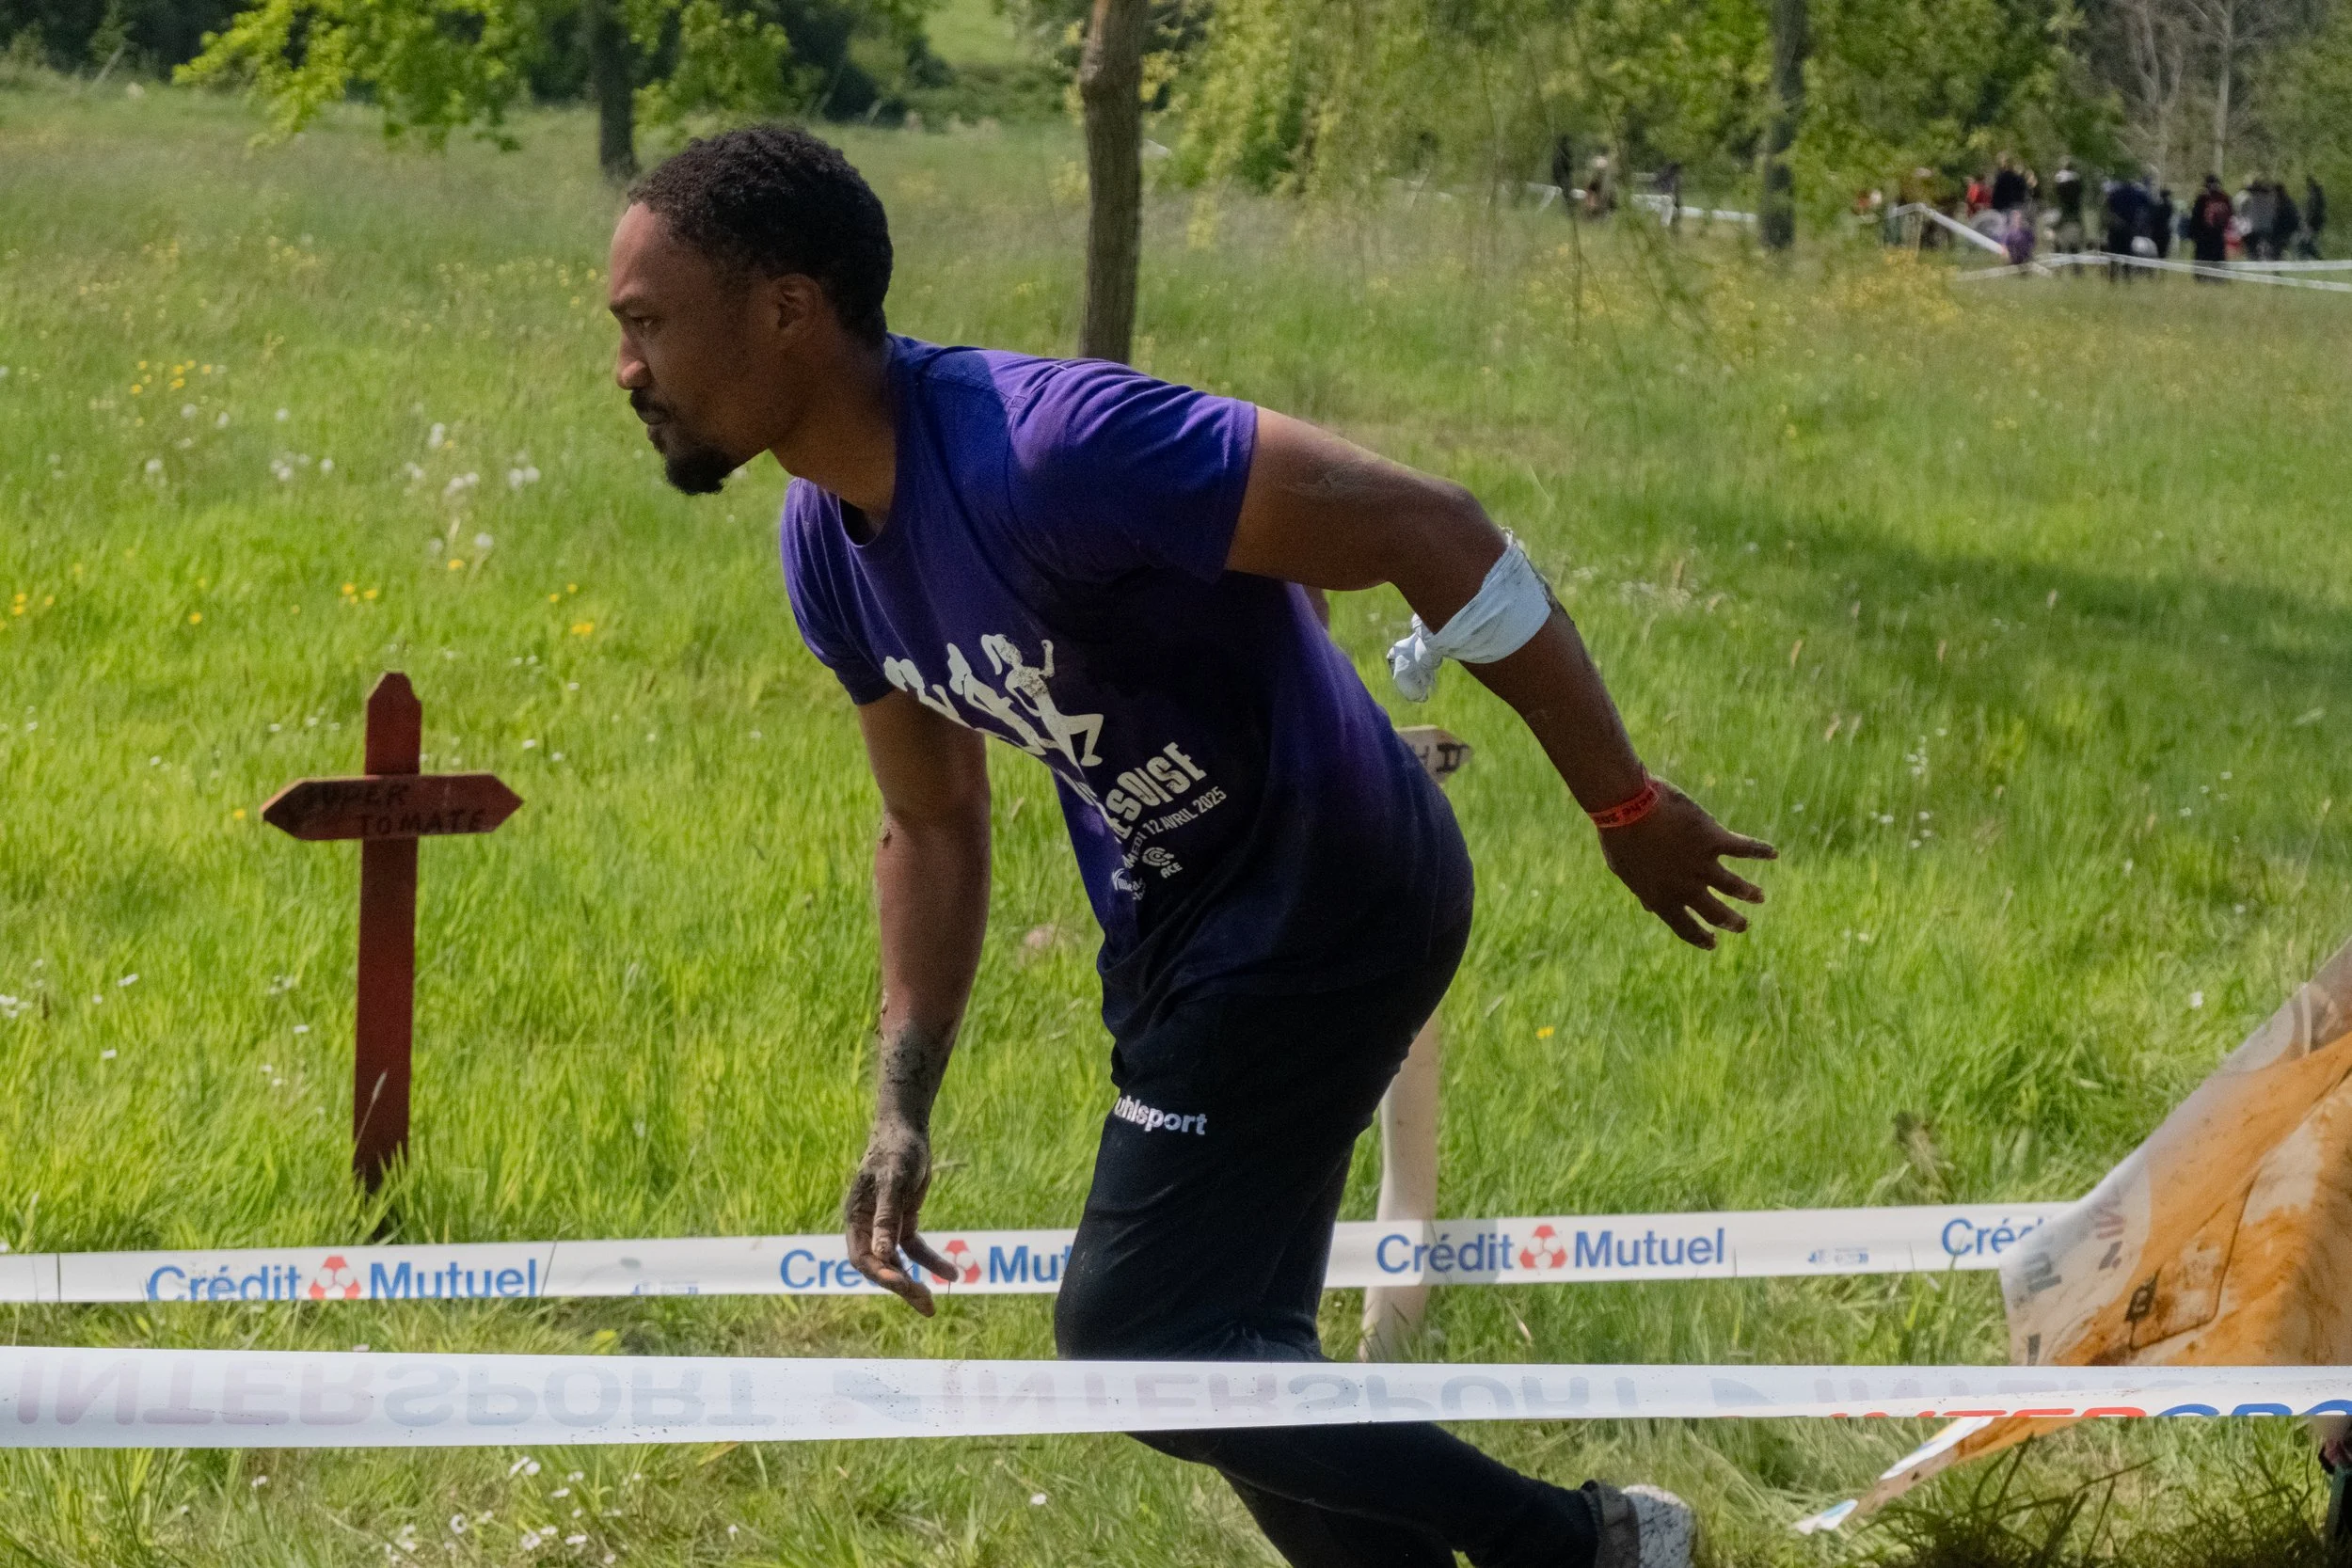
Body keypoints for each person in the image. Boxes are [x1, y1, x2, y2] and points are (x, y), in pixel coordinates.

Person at [606, 126, 1772, 1568]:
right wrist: (902, 1101)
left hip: (1332, 894)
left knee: (1136, 1330)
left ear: (787, 309)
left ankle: (1582, 1542)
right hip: (1176, 930)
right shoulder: (823, 547)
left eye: (647, 322)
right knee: (1239, 1351)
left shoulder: (1049, 449)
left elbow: (1431, 524)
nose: (627, 367)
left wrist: (1625, 804)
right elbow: (932, 817)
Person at [2185, 175, 2233, 278]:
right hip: (2218, 232)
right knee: (2218, 256)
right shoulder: (2224, 197)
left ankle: (2200, 276)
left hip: (2203, 233)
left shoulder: (2202, 197)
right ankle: (2219, 277)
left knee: (2202, 256)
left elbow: (2196, 216)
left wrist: (2192, 233)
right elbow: (2231, 213)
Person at [2103, 177, 2148, 280]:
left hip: (2115, 226)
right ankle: (2127, 276)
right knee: (2127, 252)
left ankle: (2113, 276)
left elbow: (2108, 206)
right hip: (2129, 227)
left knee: (2113, 252)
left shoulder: (2114, 193)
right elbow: (2147, 203)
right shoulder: (2136, 193)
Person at [2051, 158, 2086, 254]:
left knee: (2058, 242)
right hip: (2074, 214)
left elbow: (2057, 196)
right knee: (2074, 246)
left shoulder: (2059, 179)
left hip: (2063, 213)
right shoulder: (2077, 179)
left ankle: (2058, 256)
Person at [2148, 187, 2177, 259]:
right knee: (2164, 250)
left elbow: (2152, 218)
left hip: (2156, 230)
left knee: (2155, 249)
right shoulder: (2170, 205)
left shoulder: (2157, 205)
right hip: (2165, 230)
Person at [2305, 175, 2329, 259]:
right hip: (2318, 221)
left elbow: (2312, 210)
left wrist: (2308, 221)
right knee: (2312, 239)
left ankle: (2314, 255)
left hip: (2313, 221)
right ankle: (2313, 255)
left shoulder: (2313, 195)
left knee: (2308, 239)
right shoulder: (2319, 193)